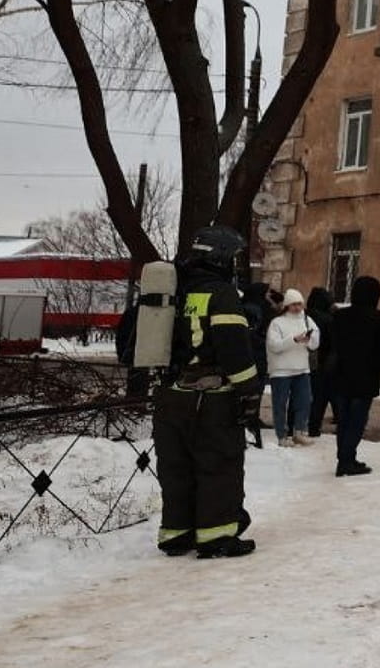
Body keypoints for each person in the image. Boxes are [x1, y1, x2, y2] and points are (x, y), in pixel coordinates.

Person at [153, 225, 260, 559]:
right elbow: (234, 350)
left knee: (177, 467)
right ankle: (217, 535)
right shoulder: (221, 294)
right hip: (211, 399)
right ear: (220, 258)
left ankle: (177, 532)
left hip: (172, 396)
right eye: (233, 258)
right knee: (218, 465)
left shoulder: (175, 290)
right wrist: (249, 392)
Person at [326, 275, 380, 477]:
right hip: (365, 377)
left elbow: (332, 344)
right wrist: (374, 366)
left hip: (341, 375)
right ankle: (347, 461)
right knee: (357, 420)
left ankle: (344, 458)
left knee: (344, 419)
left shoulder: (340, 316)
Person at [265, 289, 320, 446]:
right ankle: (282, 435)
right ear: (287, 305)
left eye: (300, 304)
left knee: (305, 401)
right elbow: (274, 345)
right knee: (280, 403)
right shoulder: (277, 323)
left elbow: (315, 342)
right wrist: (294, 339)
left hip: (302, 368)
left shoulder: (307, 320)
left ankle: (300, 431)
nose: (297, 307)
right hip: (281, 370)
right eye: (294, 304)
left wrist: (308, 339)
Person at [304, 287, 336, 437]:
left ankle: (296, 424)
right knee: (319, 396)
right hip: (322, 362)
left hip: (302, 360)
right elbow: (332, 342)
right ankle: (313, 426)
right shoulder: (328, 319)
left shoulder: (303, 316)